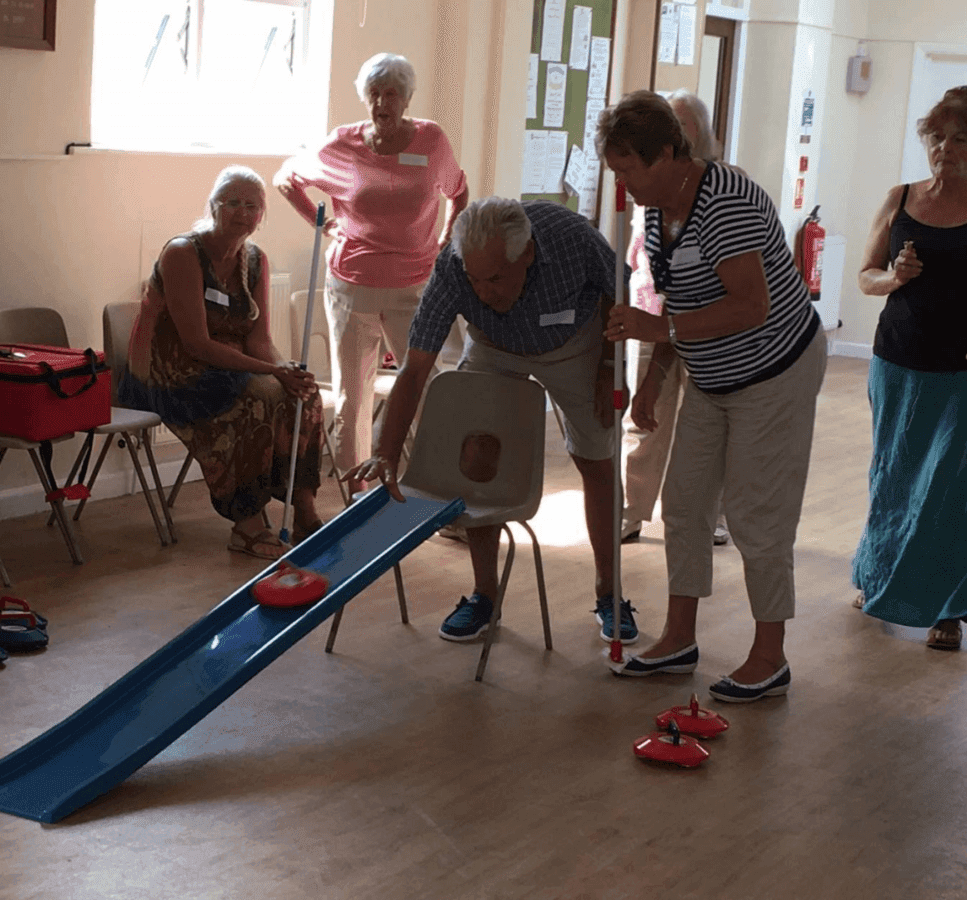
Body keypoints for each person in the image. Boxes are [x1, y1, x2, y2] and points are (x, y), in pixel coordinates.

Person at [597, 91, 826, 701]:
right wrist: (651, 381)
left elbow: (753, 305)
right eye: (615, 171)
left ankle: (770, 656)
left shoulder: (726, 200)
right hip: (711, 374)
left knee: (757, 512)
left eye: (627, 170)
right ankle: (678, 639)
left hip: (776, 370)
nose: (622, 184)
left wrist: (656, 330)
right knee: (685, 501)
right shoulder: (657, 209)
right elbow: (679, 300)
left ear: (668, 154)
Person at [346, 196, 636, 645]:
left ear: (528, 254)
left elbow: (620, 290)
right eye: (475, 279)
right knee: (476, 453)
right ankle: (484, 594)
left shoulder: (571, 238)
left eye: (497, 278)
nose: (484, 291)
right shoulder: (452, 268)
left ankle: (610, 592)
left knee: (597, 458)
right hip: (494, 345)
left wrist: (609, 366)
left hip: (574, 341)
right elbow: (415, 368)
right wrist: (385, 452)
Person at [274, 52, 469, 488]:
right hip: (351, 286)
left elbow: (458, 190)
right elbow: (286, 178)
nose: (382, 103)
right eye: (374, 95)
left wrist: (447, 239)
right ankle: (356, 492)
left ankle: (433, 482)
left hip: (413, 288)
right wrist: (320, 222)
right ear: (366, 99)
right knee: (353, 397)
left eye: (392, 94)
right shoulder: (343, 145)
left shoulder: (431, 141)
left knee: (423, 388)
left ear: (407, 98)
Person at [121, 166, 324, 560]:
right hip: (168, 371)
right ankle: (247, 522)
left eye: (252, 205)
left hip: (230, 366)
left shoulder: (255, 260)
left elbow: (260, 340)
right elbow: (195, 343)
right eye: (232, 202)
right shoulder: (183, 253)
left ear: (261, 216)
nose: (242, 212)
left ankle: (305, 511)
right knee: (255, 397)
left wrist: (287, 372)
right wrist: (270, 373)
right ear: (213, 207)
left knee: (303, 396)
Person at [851, 86, 967, 650]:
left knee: (951, 488)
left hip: (961, 374)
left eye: (961, 138)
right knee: (892, 476)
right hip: (898, 363)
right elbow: (865, 276)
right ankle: (875, 578)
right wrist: (895, 277)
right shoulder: (901, 198)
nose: (946, 148)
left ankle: (948, 607)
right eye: (938, 137)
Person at [622, 90, 731, 546]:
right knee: (644, 417)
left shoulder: (723, 183)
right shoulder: (647, 189)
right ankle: (631, 511)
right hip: (651, 310)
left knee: (707, 424)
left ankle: (708, 517)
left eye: (681, 124)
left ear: (701, 132)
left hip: (708, 322)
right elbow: (637, 253)